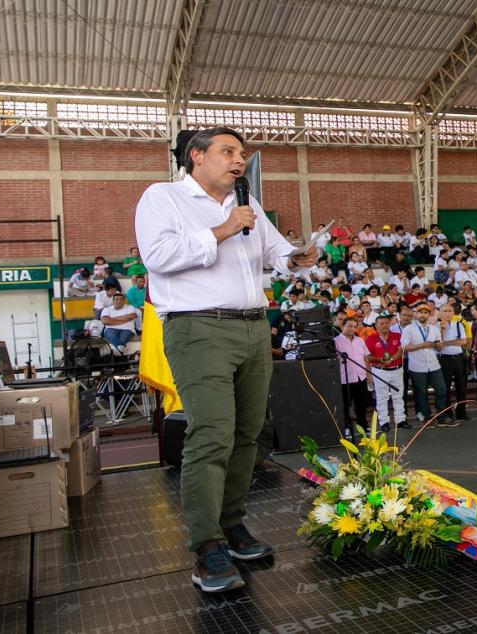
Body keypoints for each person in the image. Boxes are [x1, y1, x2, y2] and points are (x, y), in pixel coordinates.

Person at [135, 126, 318, 593]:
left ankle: (232, 526)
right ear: (196, 157)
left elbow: (275, 253)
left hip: (254, 328)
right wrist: (223, 228)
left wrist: (299, 257)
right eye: (228, 151)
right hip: (198, 329)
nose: (239, 160)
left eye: (241, 153)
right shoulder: (163, 198)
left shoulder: (247, 205)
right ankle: (206, 547)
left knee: (248, 432)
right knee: (211, 433)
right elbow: (158, 257)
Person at [400, 303, 456, 427]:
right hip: (417, 366)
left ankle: (441, 416)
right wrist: (422, 345)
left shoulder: (434, 328)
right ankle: (427, 417)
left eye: (425, 313)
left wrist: (439, 345)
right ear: (416, 314)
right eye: (420, 312)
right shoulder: (409, 329)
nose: (423, 315)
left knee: (442, 389)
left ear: (429, 315)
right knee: (421, 393)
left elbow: (439, 346)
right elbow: (404, 347)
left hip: (434, 365)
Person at [365, 311, 411, 431]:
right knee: (382, 397)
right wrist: (378, 359)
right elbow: (367, 356)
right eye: (381, 323)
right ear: (376, 325)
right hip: (379, 370)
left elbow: (400, 351)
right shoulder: (370, 338)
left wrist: (390, 359)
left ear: (389, 324)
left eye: (386, 323)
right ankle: (384, 422)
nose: (384, 325)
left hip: (396, 369)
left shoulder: (397, 335)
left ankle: (400, 420)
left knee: (398, 396)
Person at [334, 317, 371, 435]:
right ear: (342, 326)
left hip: (360, 377)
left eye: (354, 326)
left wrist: (368, 373)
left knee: (361, 404)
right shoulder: (335, 341)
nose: (352, 329)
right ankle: (346, 427)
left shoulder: (360, 340)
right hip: (345, 378)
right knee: (345, 405)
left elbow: (366, 357)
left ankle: (363, 426)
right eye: (349, 326)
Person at [437, 303, 471, 422]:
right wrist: (442, 329)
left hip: (458, 358)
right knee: (445, 387)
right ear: (440, 313)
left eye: (450, 311)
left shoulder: (458, 324)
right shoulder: (435, 326)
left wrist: (446, 343)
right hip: (444, 359)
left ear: (453, 313)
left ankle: (461, 412)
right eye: (445, 311)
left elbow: (463, 341)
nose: (447, 313)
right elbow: (438, 345)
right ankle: (447, 413)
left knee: (461, 386)